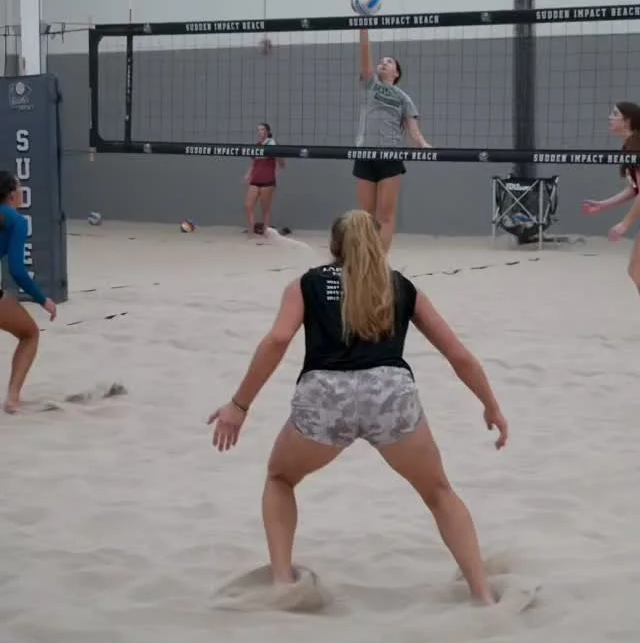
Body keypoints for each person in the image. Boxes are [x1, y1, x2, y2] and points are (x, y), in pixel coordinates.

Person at [208, 208, 508, 606]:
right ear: (378, 244)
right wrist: (490, 405)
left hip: (326, 396)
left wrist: (239, 405)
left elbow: (278, 340)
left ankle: (283, 583)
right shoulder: (401, 286)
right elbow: (458, 354)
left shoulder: (307, 284)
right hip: (390, 394)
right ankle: (483, 594)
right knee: (438, 492)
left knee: (280, 479)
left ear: (333, 246)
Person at [352, 30, 431, 253]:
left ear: (396, 73)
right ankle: (365, 259)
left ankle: (381, 261)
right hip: (365, 154)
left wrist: (423, 145)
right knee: (366, 216)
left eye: (389, 62)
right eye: (381, 61)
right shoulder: (370, 85)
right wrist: (363, 26)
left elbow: (414, 131)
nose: (383, 63)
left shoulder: (404, 98)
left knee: (386, 216)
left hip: (390, 156)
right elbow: (365, 57)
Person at [0, 171, 57, 413]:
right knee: (30, 334)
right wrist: (43, 299)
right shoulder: (16, 221)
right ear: (12, 194)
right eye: (20, 187)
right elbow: (17, 271)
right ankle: (12, 398)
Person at [582, 101, 640, 293]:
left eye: (615, 114)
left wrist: (624, 224)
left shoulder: (636, 146)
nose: (610, 117)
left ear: (627, 121)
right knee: (635, 271)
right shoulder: (630, 145)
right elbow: (635, 189)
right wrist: (603, 205)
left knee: (636, 270)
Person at [244, 122, 285, 237]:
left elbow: (282, 163)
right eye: (258, 130)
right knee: (248, 206)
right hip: (255, 179)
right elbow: (254, 163)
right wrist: (248, 174)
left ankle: (266, 233)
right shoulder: (257, 145)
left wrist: (278, 155)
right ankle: (251, 232)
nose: (259, 132)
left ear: (267, 131)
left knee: (265, 209)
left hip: (267, 180)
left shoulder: (273, 144)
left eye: (262, 129)